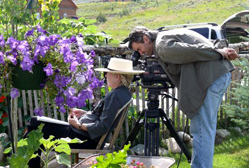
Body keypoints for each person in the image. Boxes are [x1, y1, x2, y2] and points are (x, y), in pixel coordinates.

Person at [124, 26, 238, 168]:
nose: (141, 53)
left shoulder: (162, 45)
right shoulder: (164, 38)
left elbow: (191, 51)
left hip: (211, 77)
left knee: (202, 129)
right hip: (214, 77)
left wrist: (218, 52)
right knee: (203, 128)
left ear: (146, 39)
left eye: (139, 49)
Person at [24, 57, 144, 167]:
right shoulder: (123, 93)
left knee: (35, 125)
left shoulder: (115, 95)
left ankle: (26, 164)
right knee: (34, 126)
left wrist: (78, 125)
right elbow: (102, 118)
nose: (105, 75)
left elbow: (103, 126)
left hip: (82, 138)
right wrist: (84, 114)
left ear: (117, 77)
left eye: (107, 73)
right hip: (83, 135)